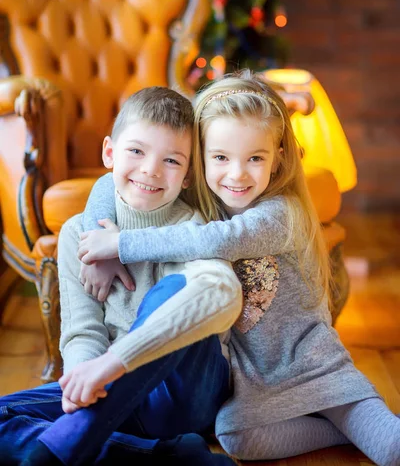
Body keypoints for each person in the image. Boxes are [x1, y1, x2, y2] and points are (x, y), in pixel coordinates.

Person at [78, 71, 400, 466]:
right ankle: (344, 431)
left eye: (255, 158)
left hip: (310, 361)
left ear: (278, 157)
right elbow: (104, 186)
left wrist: (120, 245)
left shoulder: (281, 213)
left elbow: (216, 241)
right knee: (236, 436)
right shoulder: (200, 199)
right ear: (200, 158)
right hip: (251, 375)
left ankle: (356, 424)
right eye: (220, 158)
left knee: (389, 447)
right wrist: (98, 244)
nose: (237, 174)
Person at [0, 87, 242, 466]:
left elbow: (215, 301)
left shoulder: (195, 231)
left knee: (178, 292)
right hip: (114, 401)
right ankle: (171, 458)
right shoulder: (77, 235)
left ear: (189, 175)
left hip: (183, 395)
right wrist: (83, 380)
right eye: (136, 151)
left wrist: (108, 370)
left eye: (172, 161)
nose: (150, 169)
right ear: (109, 152)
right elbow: (83, 330)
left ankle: (65, 446)